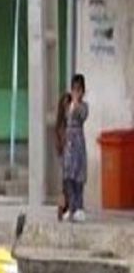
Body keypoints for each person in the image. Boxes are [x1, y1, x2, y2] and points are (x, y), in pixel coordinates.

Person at [63, 74, 89, 222]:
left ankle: (79, 208)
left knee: (78, 176)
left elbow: (82, 115)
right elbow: (65, 116)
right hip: (69, 143)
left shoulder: (84, 106)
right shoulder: (68, 104)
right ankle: (71, 207)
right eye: (74, 89)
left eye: (79, 89)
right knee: (68, 176)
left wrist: (77, 104)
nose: (76, 92)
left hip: (78, 141)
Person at [54, 92, 72, 220]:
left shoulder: (72, 121)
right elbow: (59, 141)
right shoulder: (60, 123)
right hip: (65, 155)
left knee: (70, 184)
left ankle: (69, 207)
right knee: (65, 184)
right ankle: (62, 208)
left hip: (72, 155)